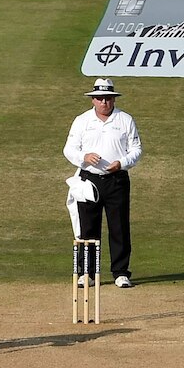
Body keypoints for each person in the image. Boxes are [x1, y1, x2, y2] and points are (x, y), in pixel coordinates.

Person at [64, 78, 142, 288]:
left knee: (119, 226)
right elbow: (69, 149)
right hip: (88, 180)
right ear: (93, 100)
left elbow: (136, 149)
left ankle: (121, 272)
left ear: (113, 99)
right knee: (87, 227)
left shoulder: (125, 120)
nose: (104, 102)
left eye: (108, 98)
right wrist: (84, 158)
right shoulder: (82, 121)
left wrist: (122, 163)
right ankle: (87, 274)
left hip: (116, 179)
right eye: (99, 98)